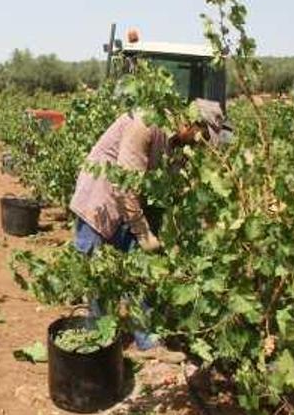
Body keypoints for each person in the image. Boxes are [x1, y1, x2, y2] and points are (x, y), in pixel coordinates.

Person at [68, 99, 228, 347]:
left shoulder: (178, 144)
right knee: (97, 276)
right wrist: (143, 233)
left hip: (131, 207)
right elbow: (125, 184)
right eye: (204, 134)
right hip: (98, 201)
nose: (203, 143)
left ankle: (148, 343)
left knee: (142, 274)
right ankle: (100, 346)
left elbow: (177, 189)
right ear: (192, 122)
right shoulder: (144, 122)